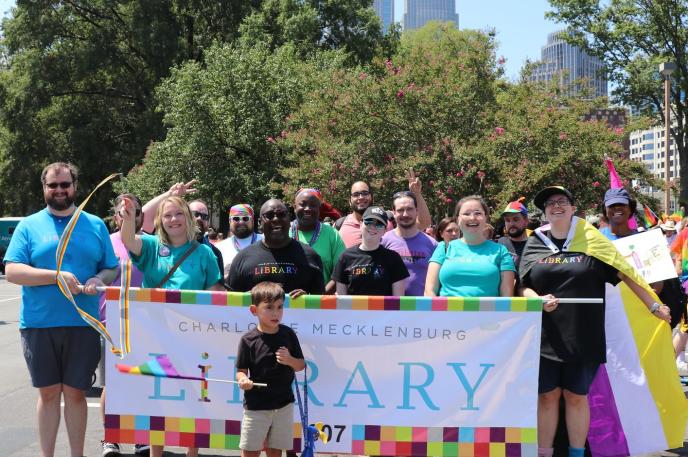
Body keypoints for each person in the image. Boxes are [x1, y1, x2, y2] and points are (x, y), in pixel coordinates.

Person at [517, 186, 671, 457]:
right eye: (550, 203)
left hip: (583, 333)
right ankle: (543, 453)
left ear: (573, 207)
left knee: (576, 396)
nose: (556, 206)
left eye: (562, 201)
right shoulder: (536, 242)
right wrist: (536, 298)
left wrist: (653, 304)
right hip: (544, 335)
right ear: (544, 212)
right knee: (547, 396)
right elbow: (522, 286)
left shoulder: (593, 240)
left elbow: (626, 273)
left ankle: (577, 453)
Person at [4, 162, 119, 457]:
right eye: (53, 185)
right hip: (39, 324)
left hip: (82, 324)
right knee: (49, 393)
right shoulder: (29, 226)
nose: (59, 190)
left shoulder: (94, 224)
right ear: (44, 188)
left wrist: (97, 279)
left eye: (65, 184)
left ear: (75, 186)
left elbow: (110, 268)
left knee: (76, 393)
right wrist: (55, 276)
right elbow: (13, 271)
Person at [120, 195, 224, 457]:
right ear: (160, 221)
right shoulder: (153, 246)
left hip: (193, 340)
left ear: (188, 218)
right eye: (167, 216)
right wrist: (130, 216)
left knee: (194, 400)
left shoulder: (205, 254)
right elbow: (128, 240)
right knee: (159, 400)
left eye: (178, 214)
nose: (173, 220)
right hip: (155, 337)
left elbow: (215, 296)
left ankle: (192, 454)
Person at [99, 194, 148, 456]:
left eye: (136, 211)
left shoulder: (149, 243)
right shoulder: (105, 243)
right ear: (115, 216)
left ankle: (140, 437)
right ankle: (111, 438)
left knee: (141, 380)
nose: (130, 215)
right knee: (112, 383)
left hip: (144, 323)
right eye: (124, 211)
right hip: (111, 323)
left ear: (142, 216)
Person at [236, 281, 305, 457]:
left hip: (284, 405)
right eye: (269, 307)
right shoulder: (248, 340)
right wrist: (243, 380)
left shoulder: (288, 334)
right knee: (250, 450)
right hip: (256, 406)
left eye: (280, 307)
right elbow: (241, 370)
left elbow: (301, 365)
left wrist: (290, 359)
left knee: (276, 451)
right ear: (254, 310)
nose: (276, 313)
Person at [229, 199, 325, 296]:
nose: (276, 219)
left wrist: (307, 299)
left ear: (289, 219)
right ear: (259, 223)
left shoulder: (310, 256)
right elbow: (230, 302)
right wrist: (246, 298)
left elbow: (320, 303)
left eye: (282, 214)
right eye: (269, 215)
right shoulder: (242, 258)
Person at [425, 196, 515, 297]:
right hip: (446, 312)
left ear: (486, 218)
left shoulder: (501, 251)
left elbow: (506, 298)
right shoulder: (443, 248)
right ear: (458, 219)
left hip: (487, 312)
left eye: (478, 213)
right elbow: (429, 291)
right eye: (466, 214)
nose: (472, 218)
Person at [337, 170, 432, 248]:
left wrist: (417, 194)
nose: (361, 197)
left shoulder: (389, 218)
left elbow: (424, 223)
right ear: (349, 201)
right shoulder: (339, 226)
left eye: (365, 193)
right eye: (356, 194)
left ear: (372, 198)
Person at [333, 206, 409, 296]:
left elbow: (398, 300)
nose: (373, 227)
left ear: (385, 230)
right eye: (368, 222)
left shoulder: (394, 258)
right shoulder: (345, 257)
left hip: (384, 310)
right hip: (353, 310)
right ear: (361, 224)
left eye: (379, 224)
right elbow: (341, 299)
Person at [381, 191, 437, 296]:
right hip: (391, 308)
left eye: (409, 209)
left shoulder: (432, 244)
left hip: (422, 308)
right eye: (400, 210)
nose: (405, 214)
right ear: (394, 212)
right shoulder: (383, 242)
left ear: (416, 211)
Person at [290, 189, 346, 294]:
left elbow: (340, 273)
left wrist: (316, 299)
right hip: (287, 304)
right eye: (303, 204)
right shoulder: (285, 232)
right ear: (294, 207)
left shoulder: (332, 234)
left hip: (322, 303)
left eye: (313, 205)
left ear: (319, 208)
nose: (307, 209)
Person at [216, 204, 263, 282]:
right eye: (236, 218)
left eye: (245, 218)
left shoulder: (265, 241)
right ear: (230, 221)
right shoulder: (219, 247)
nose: (241, 222)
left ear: (252, 221)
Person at [498, 199, 530, 272]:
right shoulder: (499, 244)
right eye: (507, 220)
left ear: (526, 221)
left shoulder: (535, 246)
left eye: (516, 219)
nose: (511, 224)